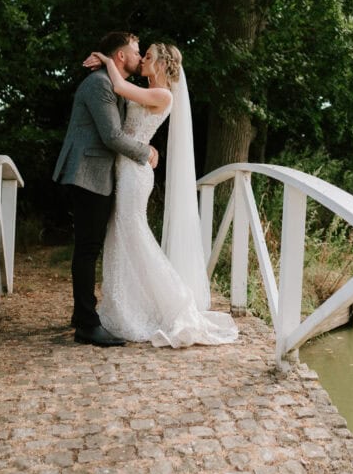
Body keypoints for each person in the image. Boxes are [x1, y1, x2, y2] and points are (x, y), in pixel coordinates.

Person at [84, 42, 238, 347]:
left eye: (149, 57)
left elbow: (117, 85)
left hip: (134, 173)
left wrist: (105, 58)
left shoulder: (162, 95)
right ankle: (126, 307)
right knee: (121, 236)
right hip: (125, 168)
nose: (143, 60)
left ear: (162, 65)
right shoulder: (148, 89)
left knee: (134, 234)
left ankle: (176, 301)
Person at [53, 32, 159, 347]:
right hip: (88, 172)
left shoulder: (110, 82)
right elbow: (112, 135)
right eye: (137, 50)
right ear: (121, 56)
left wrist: (102, 57)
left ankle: (80, 314)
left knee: (88, 246)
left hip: (98, 173)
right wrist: (146, 153)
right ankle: (86, 324)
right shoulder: (99, 85)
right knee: (88, 248)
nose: (141, 56)